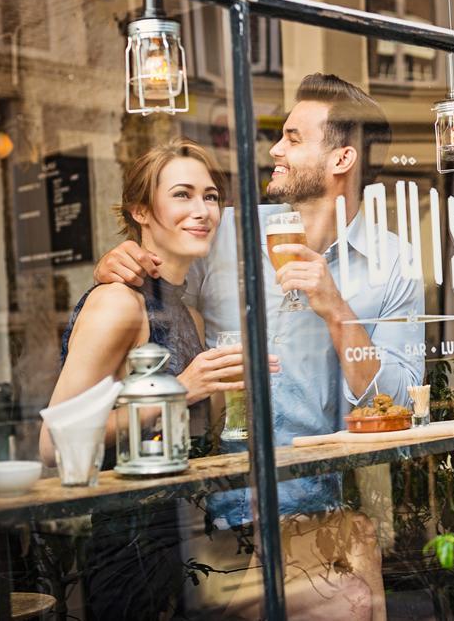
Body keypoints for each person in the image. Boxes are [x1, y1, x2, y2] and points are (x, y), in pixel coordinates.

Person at [94, 74, 425, 620]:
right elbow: (155, 299)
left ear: (342, 157)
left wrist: (337, 311)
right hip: (206, 516)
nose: (275, 149)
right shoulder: (226, 232)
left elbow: (400, 405)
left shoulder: (393, 265)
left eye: (293, 137)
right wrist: (121, 264)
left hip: (315, 512)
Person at [40, 138, 275, 620]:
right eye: (183, 195)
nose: (203, 210)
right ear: (141, 211)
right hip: (132, 552)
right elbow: (54, 443)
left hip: (195, 546)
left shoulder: (189, 315)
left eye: (210, 196)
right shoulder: (119, 303)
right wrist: (183, 388)